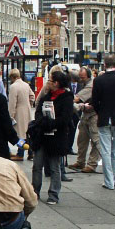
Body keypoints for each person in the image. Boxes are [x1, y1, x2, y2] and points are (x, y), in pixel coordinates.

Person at [89, 54, 115, 190]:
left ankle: (109, 182)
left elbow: (95, 101)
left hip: (104, 118)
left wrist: (100, 112)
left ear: (104, 65)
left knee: (106, 151)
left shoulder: (99, 80)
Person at [32, 70, 73, 205]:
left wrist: (51, 123)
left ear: (56, 83)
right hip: (42, 135)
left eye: (49, 80)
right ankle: (34, 192)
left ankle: (53, 194)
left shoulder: (66, 98)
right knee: (37, 165)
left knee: (54, 166)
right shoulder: (46, 96)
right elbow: (38, 112)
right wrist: (42, 121)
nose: (47, 83)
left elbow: (65, 119)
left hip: (56, 136)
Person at [68, 67, 100, 173]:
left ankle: (92, 164)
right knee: (82, 139)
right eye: (80, 77)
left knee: (95, 140)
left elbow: (77, 98)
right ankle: (80, 161)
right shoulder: (83, 83)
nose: (80, 79)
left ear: (88, 76)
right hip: (85, 114)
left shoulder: (91, 85)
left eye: (82, 77)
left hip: (93, 115)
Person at [8, 68, 35, 161]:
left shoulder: (13, 87)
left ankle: (20, 153)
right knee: (27, 133)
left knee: (19, 135)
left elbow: (12, 103)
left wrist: (10, 116)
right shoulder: (26, 85)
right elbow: (32, 96)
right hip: (26, 111)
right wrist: (29, 104)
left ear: (12, 77)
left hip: (18, 113)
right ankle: (31, 152)